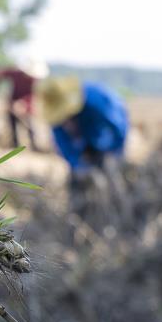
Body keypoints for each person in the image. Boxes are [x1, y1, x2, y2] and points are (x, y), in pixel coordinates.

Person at [39, 76, 130, 224]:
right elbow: (63, 144)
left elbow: (118, 129)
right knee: (77, 182)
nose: (66, 123)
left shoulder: (97, 101)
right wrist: (77, 165)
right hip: (83, 145)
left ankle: (118, 216)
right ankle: (77, 219)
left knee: (109, 177)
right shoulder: (55, 112)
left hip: (102, 140)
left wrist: (115, 153)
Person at [0, 55, 49, 150]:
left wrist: (24, 104)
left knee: (30, 126)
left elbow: (32, 95)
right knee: (12, 125)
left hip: (27, 106)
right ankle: (15, 146)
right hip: (12, 103)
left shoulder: (34, 80)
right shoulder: (16, 73)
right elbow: (0, 72)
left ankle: (34, 146)